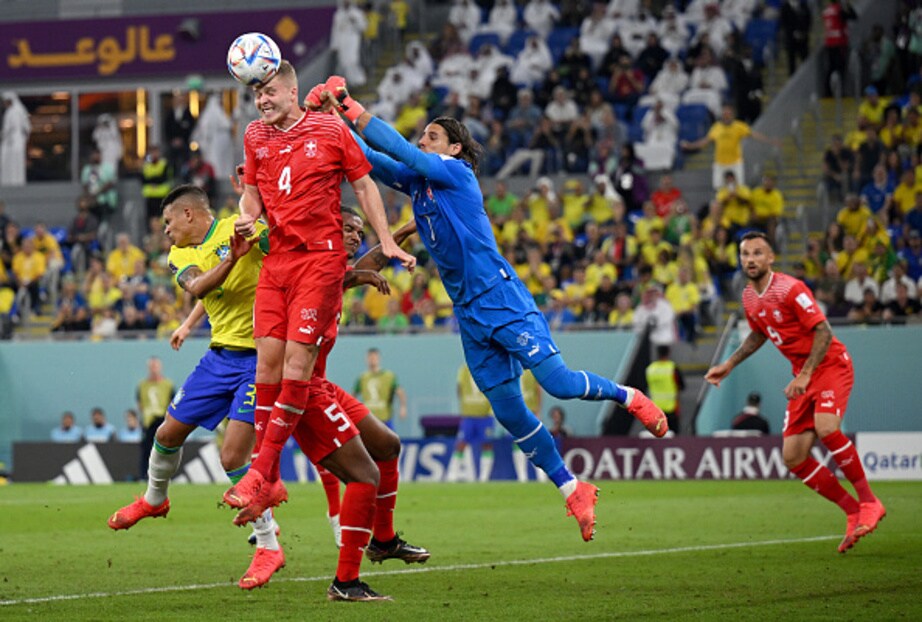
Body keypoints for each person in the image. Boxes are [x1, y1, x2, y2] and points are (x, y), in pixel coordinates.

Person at [318, 75, 668, 544]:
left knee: (559, 384)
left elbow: (400, 150)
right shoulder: (419, 183)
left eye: (432, 137)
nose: (423, 141)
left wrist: (348, 104)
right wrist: (331, 121)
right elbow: (371, 159)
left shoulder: (457, 174)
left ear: (455, 149)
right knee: (510, 413)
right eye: (423, 136)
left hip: (500, 298)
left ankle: (629, 396)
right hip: (468, 313)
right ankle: (572, 488)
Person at [223, 60, 415, 602]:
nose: (261, 100)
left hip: (316, 264)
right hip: (279, 264)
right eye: (256, 93)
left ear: (291, 90)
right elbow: (253, 194)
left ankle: (266, 475)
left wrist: (388, 238)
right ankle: (271, 483)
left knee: (306, 380)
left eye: (268, 91)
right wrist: (246, 215)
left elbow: (366, 186)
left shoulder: (329, 131)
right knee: (271, 367)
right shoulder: (255, 136)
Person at [108, 184, 285, 589]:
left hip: (259, 359)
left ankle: (268, 545)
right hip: (218, 357)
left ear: (188, 214)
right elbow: (200, 287)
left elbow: (279, 250)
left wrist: (261, 232)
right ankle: (155, 500)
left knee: (232, 456)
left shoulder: (239, 228)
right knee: (166, 434)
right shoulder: (180, 255)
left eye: (168, 221)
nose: (165, 230)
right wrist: (192, 319)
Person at [705, 231, 886, 554]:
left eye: (757, 253)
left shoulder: (790, 288)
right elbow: (758, 334)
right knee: (793, 457)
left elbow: (824, 332)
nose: (751, 259)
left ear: (770, 257)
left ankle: (870, 502)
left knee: (826, 427)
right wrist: (729, 364)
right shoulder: (749, 297)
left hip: (829, 365)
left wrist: (804, 374)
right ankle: (852, 510)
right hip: (802, 376)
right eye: (745, 254)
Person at [681, 104, 780, 191]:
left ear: (732, 115)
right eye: (725, 114)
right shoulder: (716, 127)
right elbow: (705, 141)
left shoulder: (739, 126)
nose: (726, 116)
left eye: (728, 114)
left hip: (735, 162)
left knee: (739, 188)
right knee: (718, 188)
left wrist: (770, 141)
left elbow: (753, 134)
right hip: (720, 163)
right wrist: (690, 146)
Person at [451, 363, 495, 482]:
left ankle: (484, 477)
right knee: (461, 443)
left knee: (487, 444)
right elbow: (459, 388)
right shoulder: (464, 370)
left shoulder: (490, 368)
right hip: (468, 415)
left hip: (485, 415)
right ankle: (452, 475)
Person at [136, 356, 175, 480]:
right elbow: (140, 403)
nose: (154, 369)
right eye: (151, 366)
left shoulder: (168, 384)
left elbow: (172, 402)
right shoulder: (142, 385)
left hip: (162, 420)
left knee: (165, 450)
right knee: (147, 450)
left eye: (156, 366)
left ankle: (166, 476)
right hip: (148, 422)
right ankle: (144, 476)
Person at [353, 348, 407, 430]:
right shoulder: (362, 378)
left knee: (389, 437)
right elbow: (353, 395)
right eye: (370, 357)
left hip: (385, 418)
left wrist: (403, 407)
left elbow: (400, 392)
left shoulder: (389, 376)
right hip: (369, 418)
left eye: (374, 357)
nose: (372, 360)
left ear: (379, 358)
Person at [645, 345, 685, 435]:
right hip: (671, 408)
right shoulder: (672, 368)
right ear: (668, 353)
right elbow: (681, 386)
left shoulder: (650, 369)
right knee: (673, 437)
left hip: (655, 408)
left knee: (656, 436)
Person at [1, 92, 30, 186]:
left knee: (11, 161)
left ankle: (12, 181)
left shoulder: (11, 112)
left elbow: (8, 128)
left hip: (12, 141)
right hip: (18, 140)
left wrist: (3, 135)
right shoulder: (21, 110)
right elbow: (27, 127)